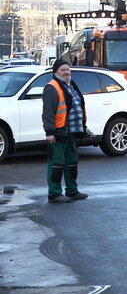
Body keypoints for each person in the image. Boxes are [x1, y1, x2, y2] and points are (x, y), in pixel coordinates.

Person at [42, 59, 89, 203]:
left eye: (68, 69)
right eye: (63, 69)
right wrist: (49, 132)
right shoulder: (51, 88)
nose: (66, 72)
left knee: (72, 163)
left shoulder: (71, 85)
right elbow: (48, 113)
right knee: (57, 163)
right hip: (58, 132)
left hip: (72, 132)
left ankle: (72, 191)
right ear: (55, 72)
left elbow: (78, 105)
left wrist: (83, 127)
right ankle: (54, 193)